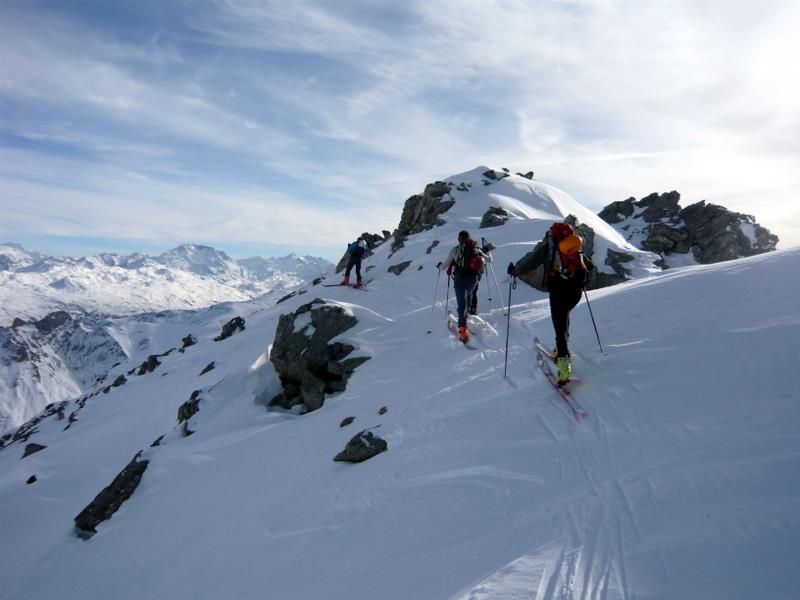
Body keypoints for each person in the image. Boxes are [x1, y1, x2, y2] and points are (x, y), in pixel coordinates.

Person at [523, 222, 593, 384]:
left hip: (558, 290)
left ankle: (563, 365)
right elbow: (589, 265)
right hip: (575, 292)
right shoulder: (574, 245)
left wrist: (515, 270)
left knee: (560, 324)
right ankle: (560, 349)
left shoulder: (551, 246)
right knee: (563, 321)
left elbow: (532, 262)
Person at [439, 230, 487, 342]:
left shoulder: (455, 250)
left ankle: (463, 330)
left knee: (461, 303)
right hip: (473, 279)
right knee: (468, 296)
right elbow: (489, 260)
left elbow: (443, 267)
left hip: (460, 278)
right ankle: (467, 316)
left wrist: (439, 266)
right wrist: (487, 251)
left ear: (459, 239)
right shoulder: (476, 249)